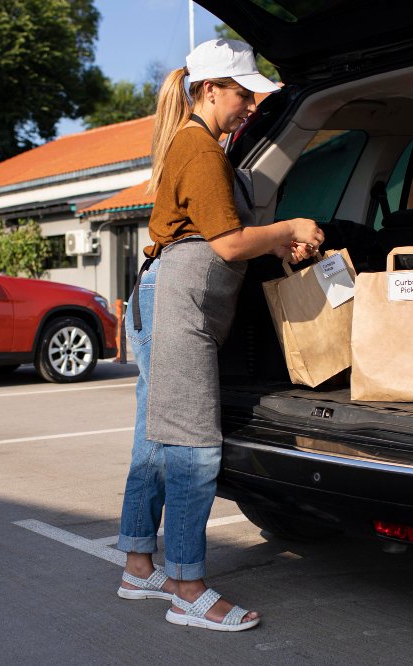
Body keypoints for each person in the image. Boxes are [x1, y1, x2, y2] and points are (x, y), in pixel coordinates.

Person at [115, 39, 323, 632]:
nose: (249, 107)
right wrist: (287, 227)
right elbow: (228, 243)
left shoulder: (199, 146)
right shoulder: (200, 149)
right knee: (194, 448)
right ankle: (186, 586)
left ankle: (138, 564)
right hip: (179, 305)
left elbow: (225, 237)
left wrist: (279, 241)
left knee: (156, 442)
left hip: (170, 299)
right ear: (211, 89)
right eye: (242, 94)